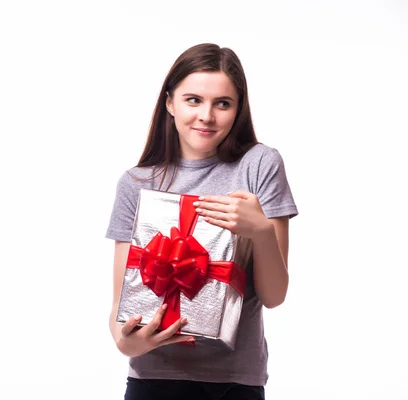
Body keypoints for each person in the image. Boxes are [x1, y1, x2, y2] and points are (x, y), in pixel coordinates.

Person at [105, 43, 298, 400]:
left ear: (238, 109)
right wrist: (128, 344)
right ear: (170, 103)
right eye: (193, 100)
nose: (206, 116)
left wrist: (259, 231)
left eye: (222, 103)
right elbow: (121, 303)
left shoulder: (259, 165)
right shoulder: (136, 183)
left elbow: (274, 296)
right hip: (151, 378)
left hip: (234, 381)